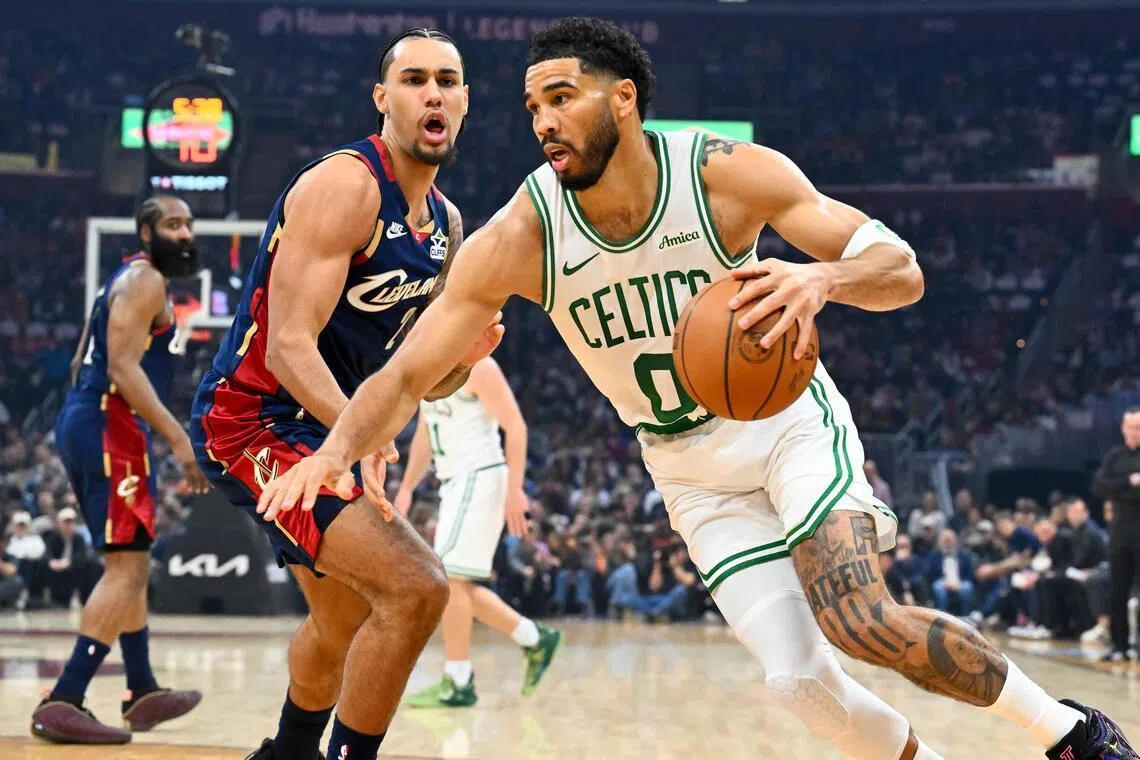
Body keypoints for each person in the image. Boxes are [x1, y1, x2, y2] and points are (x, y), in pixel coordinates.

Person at [259, 18, 1137, 760]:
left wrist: (821, 280)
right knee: (800, 684)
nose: (543, 121)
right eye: (532, 107)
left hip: (786, 425)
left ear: (623, 99)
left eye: (561, 97)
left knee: (858, 617)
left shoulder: (722, 174)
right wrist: (336, 451)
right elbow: (408, 372)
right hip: (685, 469)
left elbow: (899, 268)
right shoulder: (522, 234)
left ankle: (1070, 734)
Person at [189, 29, 500, 760]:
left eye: (447, 81)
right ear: (382, 98)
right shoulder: (347, 185)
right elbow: (287, 344)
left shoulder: (448, 227)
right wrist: (359, 438)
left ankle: (286, 753)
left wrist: (462, 360)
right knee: (418, 588)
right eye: (415, 79)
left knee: (344, 620)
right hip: (252, 419)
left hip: (324, 430)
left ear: (464, 102)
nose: (433, 93)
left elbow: (420, 378)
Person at [31, 196, 207, 744]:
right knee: (126, 569)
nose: (184, 233)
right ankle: (64, 698)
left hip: (92, 420)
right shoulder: (145, 279)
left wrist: (83, 420)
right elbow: (123, 368)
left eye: (188, 224)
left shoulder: (125, 281)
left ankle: (141, 687)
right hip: (111, 423)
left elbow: (83, 356)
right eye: (173, 224)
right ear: (147, 233)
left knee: (130, 560)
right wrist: (178, 439)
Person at [395, 356, 563, 708]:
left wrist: (515, 490)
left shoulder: (480, 366)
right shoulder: (430, 366)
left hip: (479, 477)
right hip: (454, 483)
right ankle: (535, 638)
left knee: (448, 580)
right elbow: (424, 435)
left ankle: (459, 680)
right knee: (456, 586)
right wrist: (407, 487)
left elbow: (515, 427)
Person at [1091, 407, 1140, 661]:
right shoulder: (1114, 457)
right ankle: (1119, 646)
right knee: (1118, 591)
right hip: (1120, 534)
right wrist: (1129, 482)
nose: (1135, 432)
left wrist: (1118, 491)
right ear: (1123, 429)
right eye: (1131, 427)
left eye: (1139, 428)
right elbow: (1099, 486)